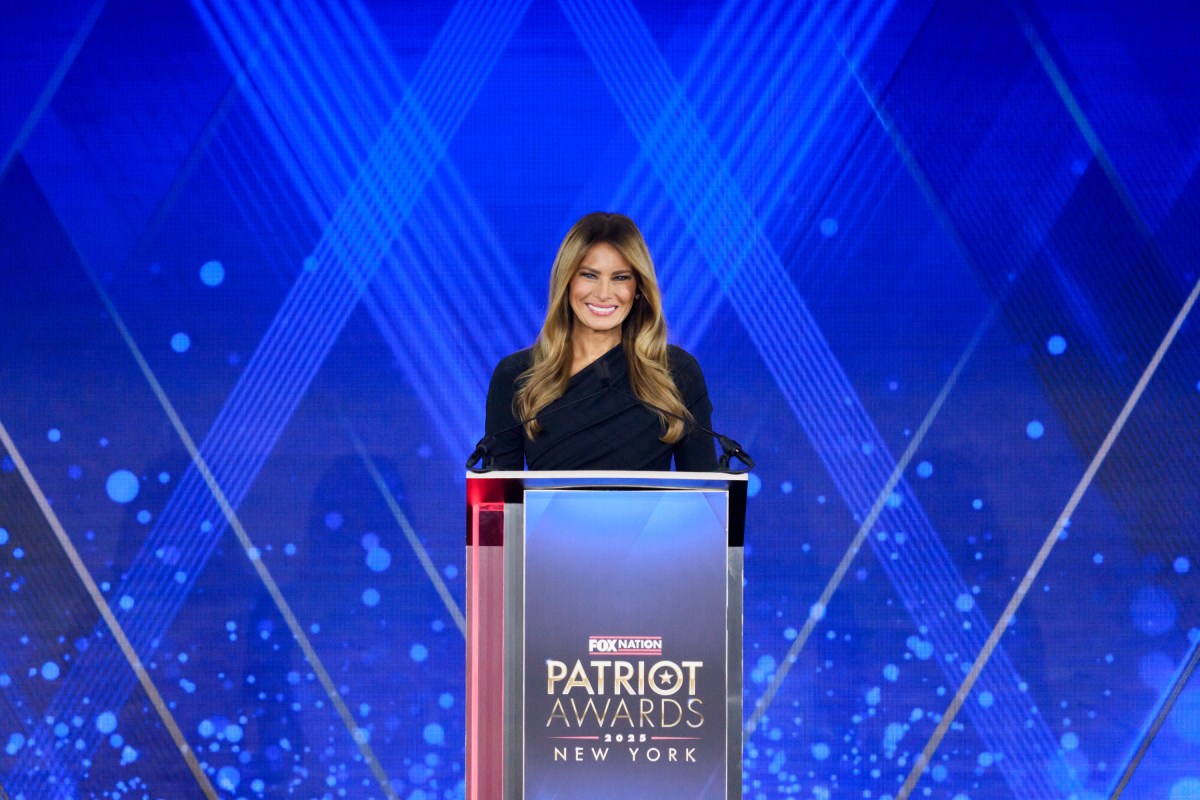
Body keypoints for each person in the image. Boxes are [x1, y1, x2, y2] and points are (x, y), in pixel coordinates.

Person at [484, 212, 717, 471]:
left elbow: (705, 494)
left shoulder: (677, 372)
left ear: (638, 288)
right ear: (567, 281)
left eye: (620, 277)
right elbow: (498, 502)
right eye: (589, 275)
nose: (604, 294)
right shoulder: (516, 375)